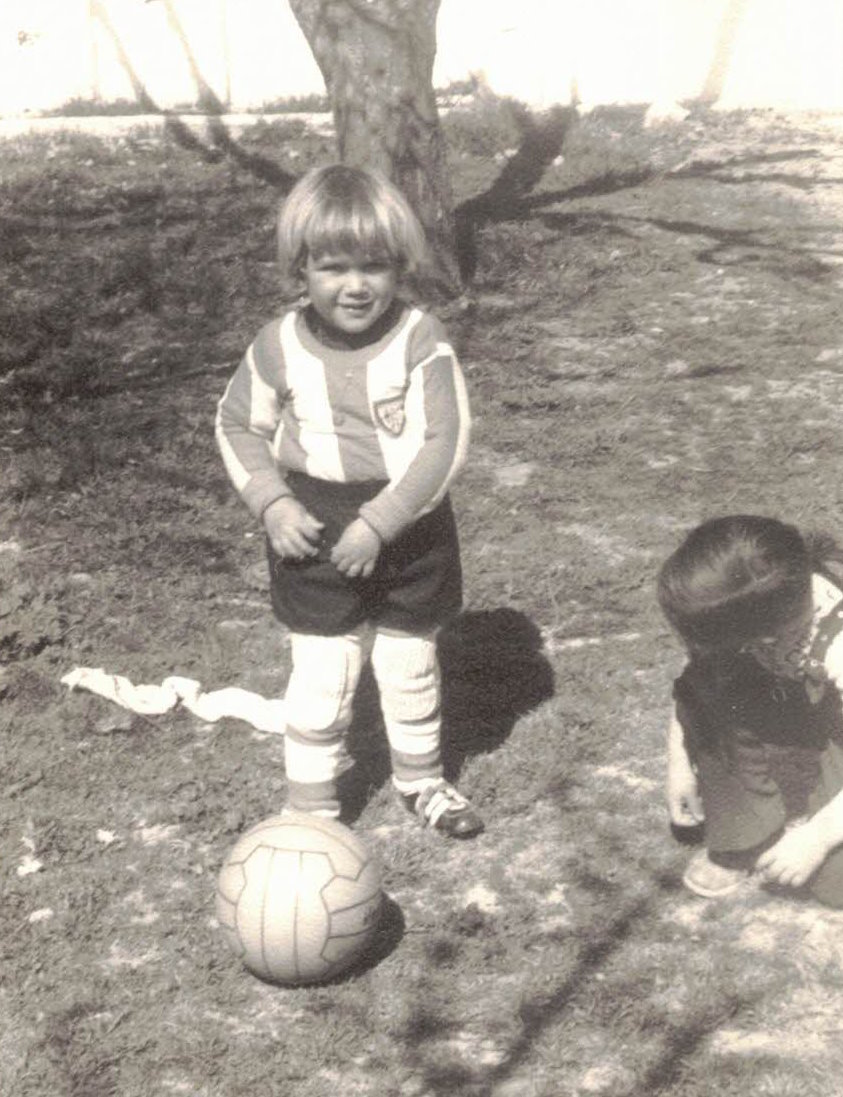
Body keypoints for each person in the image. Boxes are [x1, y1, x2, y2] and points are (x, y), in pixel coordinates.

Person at [215, 164, 483, 838]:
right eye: (333, 267)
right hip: (311, 521)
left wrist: (380, 522)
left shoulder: (421, 340)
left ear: (400, 266)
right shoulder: (277, 345)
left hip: (408, 521)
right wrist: (274, 504)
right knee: (324, 670)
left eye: (374, 266)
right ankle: (310, 808)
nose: (355, 285)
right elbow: (236, 424)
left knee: (407, 661)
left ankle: (421, 781)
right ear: (300, 269)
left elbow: (445, 443)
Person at [658, 514, 843, 905]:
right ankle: (743, 834)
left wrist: (819, 834)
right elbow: (698, 679)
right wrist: (679, 762)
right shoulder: (745, 600)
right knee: (716, 678)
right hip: (800, 695)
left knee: (834, 881)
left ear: (768, 634)